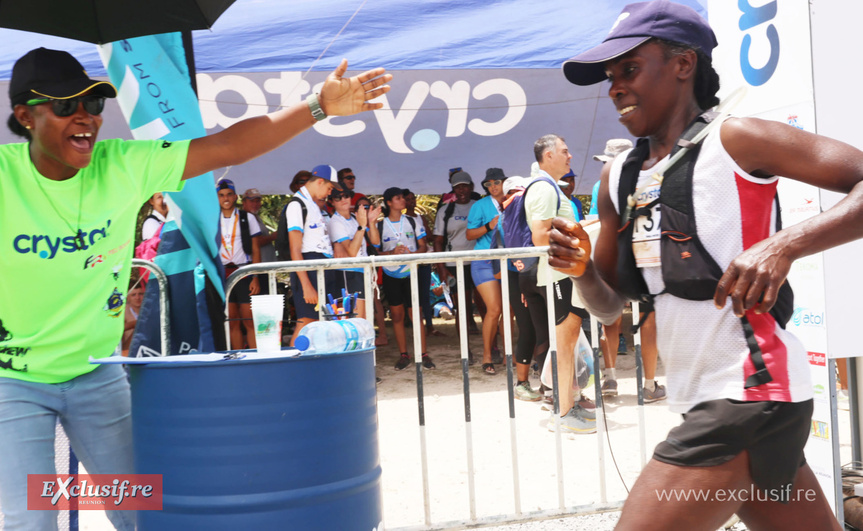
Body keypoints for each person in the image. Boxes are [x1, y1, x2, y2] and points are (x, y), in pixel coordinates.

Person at [0, 46, 390, 530]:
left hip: (97, 375)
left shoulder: (122, 163)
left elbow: (229, 147)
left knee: (143, 514)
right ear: (24, 115)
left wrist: (319, 107)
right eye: (65, 106)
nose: (85, 118)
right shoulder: (4, 177)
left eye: (94, 105)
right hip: (13, 383)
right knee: (32, 520)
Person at [549, 1, 859, 528]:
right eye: (610, 76)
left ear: (683, 64)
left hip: (746, 395)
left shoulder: (736, 139)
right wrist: (582, 272)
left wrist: (784, 245)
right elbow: (608, 310)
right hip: (715, 399)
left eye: (629, 69)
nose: (615, 87)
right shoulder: (617, 177)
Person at [529, 134, 595, 433]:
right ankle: (564, 413)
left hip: (566, 274)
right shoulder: (543, 188)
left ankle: (568, 404)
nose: (570, 157)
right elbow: (541, 236)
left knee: (567, 343)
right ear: (548, 156)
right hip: (558, 274)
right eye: (565, 152)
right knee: (564, 345)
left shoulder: (553, 188)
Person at [376, 187, 435, 370]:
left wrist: (413, 254)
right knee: (396, 314)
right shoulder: (380, 224)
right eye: (398, 198)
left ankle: (422, 353)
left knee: (416, 313)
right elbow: (375, 251)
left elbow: (423, 245)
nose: (403, 201)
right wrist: (391, 253)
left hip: (411, 272)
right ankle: (404, 354)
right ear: (389, 203)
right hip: (391, 273)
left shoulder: (412, 220)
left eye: (403, 197)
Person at [285, 164, 340, 346]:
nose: (329, 193)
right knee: (307, 321)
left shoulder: (312, 205)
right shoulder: (297, 205)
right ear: (320, 182)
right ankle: (291, 365)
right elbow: (295, 249)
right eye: (330, 188)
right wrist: (306, 285)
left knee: (319, 322)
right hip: (308, 267)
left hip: (321, 265)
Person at [466, 168, 507, 375]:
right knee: (494, 309)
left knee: (510, 311)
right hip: (483, 260)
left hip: (508, 261)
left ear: (504, 182)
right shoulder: (479, 206)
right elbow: (469, 234)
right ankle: (487, 356)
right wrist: (489, 226)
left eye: (496, 182)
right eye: (488, 184)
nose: (492, 187)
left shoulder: (514, 201)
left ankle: (511, 355)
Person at [434, 171, 479, 341]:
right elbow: (438, 241)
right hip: (455, 264)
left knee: (484, 305)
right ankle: (465, 348)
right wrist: (441, 268)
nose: (461, 190)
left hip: (479, 262)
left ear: (471, 187)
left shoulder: (480, 205)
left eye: (464, 186)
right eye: (457, 187)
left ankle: (493, 345)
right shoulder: (446, 211)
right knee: (462, 306)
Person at [217, 178, 262, 349]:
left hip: (244, 272)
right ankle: (237, 357)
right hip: (222, 273)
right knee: (232, 320)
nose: (226, 198)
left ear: (236, 196)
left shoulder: (247, 217)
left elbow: (256, 249)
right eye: (221, 195)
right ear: (217, 198)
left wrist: (255, 276)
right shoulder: (212, 219)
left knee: (249, 319)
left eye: (229, 194)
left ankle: (255, 357)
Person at [327, 181, 382, 319]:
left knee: (365, 318)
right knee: (356, 319)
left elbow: (375, 241)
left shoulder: (353, 218)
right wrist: (362, 226)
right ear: (332, 202)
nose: (343, 200)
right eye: (337, 197)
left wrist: (372, 222)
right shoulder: (335, 222)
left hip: (361, 271)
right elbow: (351, 252)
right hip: (349, 273)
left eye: (345, 196)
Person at [403, 188, 440, 337]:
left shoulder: (420, 218)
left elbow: (429, 236)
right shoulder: (402, 220)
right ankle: (411, 323)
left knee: (424, 294)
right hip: (409, 261)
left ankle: (429, 326)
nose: (412, 201)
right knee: (410, 295)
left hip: (423, 259)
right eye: (409, 199)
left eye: (413, 198)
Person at [242, 187, 277, 296]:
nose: (255, 204)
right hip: (257, 269)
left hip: (267, 268)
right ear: (244, 202)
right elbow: (252, 243)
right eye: (251, 201)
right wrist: (273, 237)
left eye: (257, 201)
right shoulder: (244, 219)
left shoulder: (257, 217)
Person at [121, 278, 144, 357]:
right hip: (128, 350)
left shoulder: (151, 309)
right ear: (128, 297)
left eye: (141, 294)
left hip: (147, 346)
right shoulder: (122, 311)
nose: (137, 298)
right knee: (138, 328)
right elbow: (117, 329)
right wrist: (135, 324)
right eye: (133, 295)